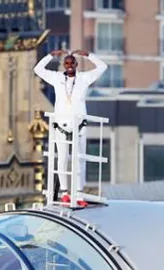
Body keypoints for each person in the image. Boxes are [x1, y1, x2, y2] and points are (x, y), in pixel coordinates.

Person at [33, 49, 108, 206]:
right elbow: (38, 69)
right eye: (66, 63)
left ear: (76, 64)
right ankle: (64, 192)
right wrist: (51, 55)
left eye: (71, 63)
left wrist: (87, 55)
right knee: (62, 158)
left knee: (79, 159)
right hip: (60, 124)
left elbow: (102, 67)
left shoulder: (84, 78)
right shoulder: (56, 78)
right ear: (63, 65)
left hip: (79, 125)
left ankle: (79, 193)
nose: (69, 66)